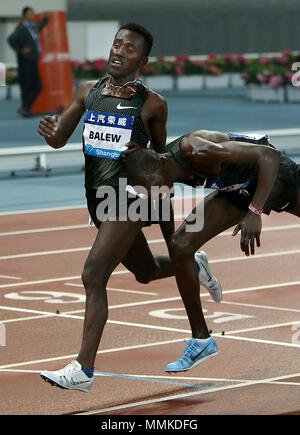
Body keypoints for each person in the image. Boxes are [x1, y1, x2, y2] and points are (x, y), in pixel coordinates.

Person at [37, 23, 221, 392]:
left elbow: (160, 164)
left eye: (130, 48)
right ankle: (195, 263)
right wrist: (52, 131)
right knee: (146, 271)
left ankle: (83, 371)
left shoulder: (152, 104)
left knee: (93, 274)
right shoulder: (87, 92)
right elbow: (60, 139)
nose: (119, 51)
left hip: (130, 199)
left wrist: (169, 225)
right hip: (99, 198)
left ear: (143, 60)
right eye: (117, 44)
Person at [124, 130, 286, 372]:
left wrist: (255, 211)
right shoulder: (160, 170)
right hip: (234, 190)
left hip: (273, 175)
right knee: (181, 246)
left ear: (160, 164)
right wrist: (180, 256)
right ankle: (202, 340)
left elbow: (269, 155)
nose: (152, 192)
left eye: (151, 185)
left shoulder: (197, 149)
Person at [7, 7, 49, 117]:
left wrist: (45, 19)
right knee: (30, 85)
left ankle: (25, 108)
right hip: (26, 61)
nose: (32, 15)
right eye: (29, 13)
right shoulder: (22, 28)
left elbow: (39, 26)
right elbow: (11, 39)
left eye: (33, 13)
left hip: (32, 60)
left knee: (34, 85)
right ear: (24, 16)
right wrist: (21, 51)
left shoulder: (32, 27)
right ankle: (25, 108)